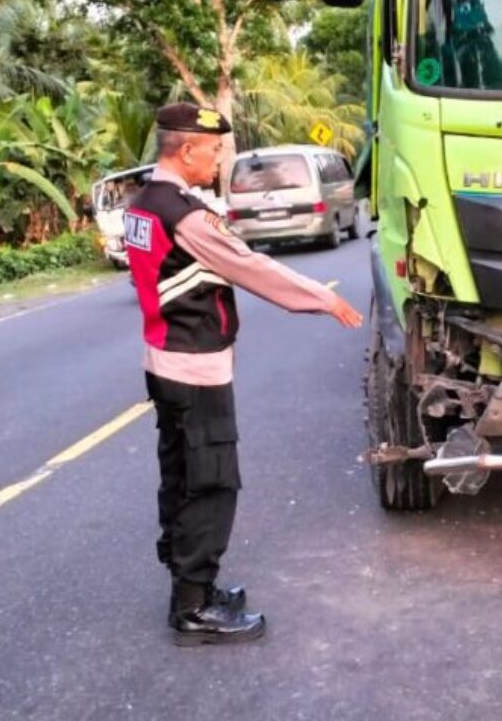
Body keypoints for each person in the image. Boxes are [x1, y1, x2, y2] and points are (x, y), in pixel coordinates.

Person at [125, 102, 363, 647]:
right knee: (211, 480)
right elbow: (249, 266)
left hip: (166, 359)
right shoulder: (183, 213)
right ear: (185, 151)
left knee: (181, 474)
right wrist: (319, 299)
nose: (217, 160)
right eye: (212, 151)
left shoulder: (143, 204)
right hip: (195, 365)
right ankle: (194, 606)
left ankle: (191, 589)